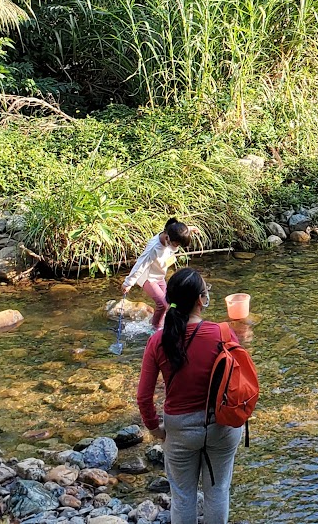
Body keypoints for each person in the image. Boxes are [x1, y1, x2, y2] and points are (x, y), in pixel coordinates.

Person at [137, 268, 244, 524]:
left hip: (180, 429)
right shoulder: (224, 333)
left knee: (183, 496)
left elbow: (144, 397)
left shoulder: (157, 341)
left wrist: (155, 429)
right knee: (217, 491)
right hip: (221, 425)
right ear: (200, 299)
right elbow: (240, 382)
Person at [123, 219, 201, 329]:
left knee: (170, 302)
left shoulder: (171, 233)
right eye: (176, 244)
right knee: (162, 304)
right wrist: (128, 283)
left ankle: (158, 323)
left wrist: (189, 229)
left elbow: (176, 230)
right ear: (167, 237)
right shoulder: (153, 248)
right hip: (148, 277)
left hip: (159, 275)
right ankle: (155, 329)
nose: (176, 246)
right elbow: (140, 265)